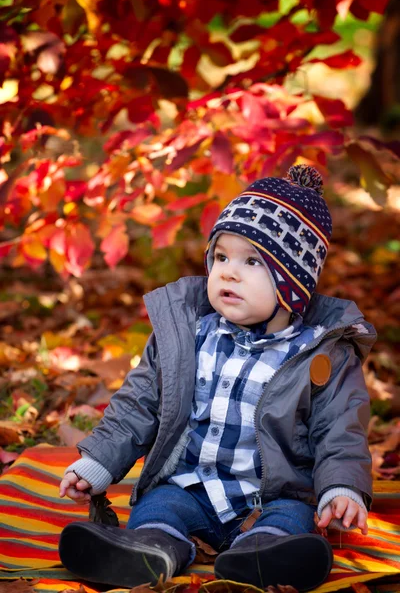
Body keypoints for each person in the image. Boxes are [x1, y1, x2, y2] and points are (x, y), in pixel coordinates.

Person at [58, 165, 376, 593]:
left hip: (274, 495)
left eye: (251, 262)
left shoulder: (322, 353)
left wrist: (341, 488)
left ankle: (263, 558)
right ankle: (148, 551)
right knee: (159, 507)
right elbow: (139, 405)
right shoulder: (187, 334)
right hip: (190, 485)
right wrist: (98, 462)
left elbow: (339, 432)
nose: (227, 272)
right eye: (221, 256)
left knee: (290, 520)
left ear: (292, 284)